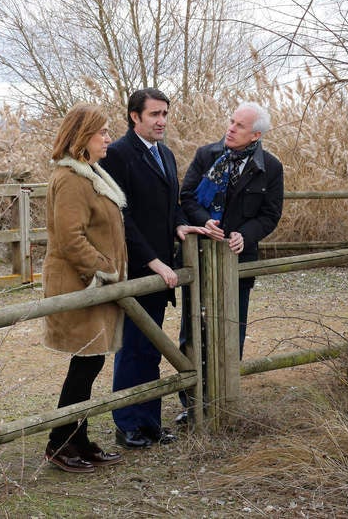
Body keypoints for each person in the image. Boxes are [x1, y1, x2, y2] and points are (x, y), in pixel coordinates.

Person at [100, 88, 205, 449]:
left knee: (152, 345)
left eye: (165, 114)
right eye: (154, 115)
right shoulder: (116, 154)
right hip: (136, 266)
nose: (162, 121)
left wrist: (179, 224)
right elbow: (120, 217)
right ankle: (127, 423)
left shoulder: (165, 153)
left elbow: (170, 203)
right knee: (132, 347)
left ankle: (149, 422)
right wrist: (152, 260)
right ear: (134, 116)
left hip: (163, 267)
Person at [176, 101, 284, 423]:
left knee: (232, 330)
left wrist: (245, 236)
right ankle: (191, 403)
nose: (230, 129)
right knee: (194, 330)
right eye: (231, 122)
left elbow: (270, 214)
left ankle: (223, 402)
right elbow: (187, 197)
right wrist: (202, 221)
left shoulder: (271, 167)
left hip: (238, 260)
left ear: (256, 135)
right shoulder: (206, 155)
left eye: (239, 126)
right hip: (198, 257)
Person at [42, 103, 127, 473]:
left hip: (94, 285)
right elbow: (70, 238)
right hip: (80, 284)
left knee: (89, 364)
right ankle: (59, 443)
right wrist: (105, 269)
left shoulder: (90, 174)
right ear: (82, 137)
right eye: (102, 132)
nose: (108, 138)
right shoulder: (71, 179)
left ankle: (77, 438)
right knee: (84, 366)